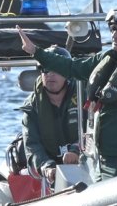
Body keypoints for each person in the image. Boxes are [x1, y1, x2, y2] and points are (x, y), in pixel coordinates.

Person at [19, 10, 117, 181]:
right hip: (101, 158)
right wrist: (35, 51)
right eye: (112, 29)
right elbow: (72, 67)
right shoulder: (106, 59)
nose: (114, 35)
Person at [19, 47, 80, 182]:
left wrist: (77, 150)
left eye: (57, 68)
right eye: (45, 69)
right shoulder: (31, 107)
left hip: (84, 164)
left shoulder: (84, 96)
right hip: (48, 172)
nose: (50, 74)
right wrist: (46, 167)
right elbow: (32, 145)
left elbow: (94, 131)